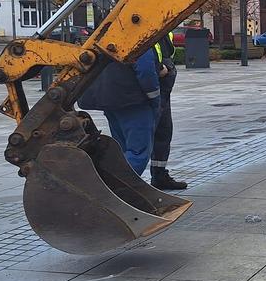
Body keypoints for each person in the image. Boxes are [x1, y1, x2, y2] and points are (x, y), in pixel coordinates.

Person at [78, 47, 161, 176]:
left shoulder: (106, 38)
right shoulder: (139, 40)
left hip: (110, 101)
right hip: (133, 102)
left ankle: (115, 185)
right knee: (138, 152)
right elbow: (145, 71)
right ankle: (119, 187)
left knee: (122, 150)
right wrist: (155, 98)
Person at [150, 33, 187, 190]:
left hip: (161, 89)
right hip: (152, 90)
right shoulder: (147, 25)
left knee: (163, 132)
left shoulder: (164, 31)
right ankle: (128, 185)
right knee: (139, 142)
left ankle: (159, 174)